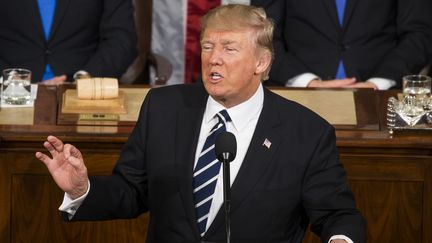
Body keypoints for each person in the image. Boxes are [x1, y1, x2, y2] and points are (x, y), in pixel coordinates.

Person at [36, 4, 366, 242]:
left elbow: (338, 215)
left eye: (229, 48)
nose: (214, 58)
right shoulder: (164, 108)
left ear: (261, 62)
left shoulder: (306, 132)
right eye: (207, 46)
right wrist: (82, 189)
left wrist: (340, 239)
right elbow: (131, 192)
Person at [259, 0, 432, 90]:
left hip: (381, 96)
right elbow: (263, 35)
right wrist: (306, 82)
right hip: (296, 95)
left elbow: (419, 33)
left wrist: (379, 83)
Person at [0, 0, 137, 84]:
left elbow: (122, 38)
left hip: (82, 90)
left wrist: (84, 80)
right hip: (10, 91)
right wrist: (9, 83)